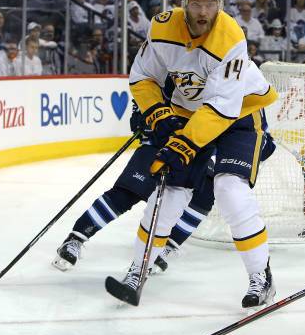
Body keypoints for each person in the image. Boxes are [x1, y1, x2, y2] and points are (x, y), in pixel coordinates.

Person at [111, 0, 278, 311]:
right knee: (170, 190)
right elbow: (143, 77)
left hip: (240, 113)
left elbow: (220, 108)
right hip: (190, 113)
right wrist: (159, 115)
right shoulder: (161, 27)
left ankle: (261, 277)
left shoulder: (231, 37)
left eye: (211, 3)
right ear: (184, 2)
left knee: (229, 190)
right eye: (197, 3)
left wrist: (182, 144)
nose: (204, 12)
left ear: (220, 3)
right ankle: (138, 268)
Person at [52, 103, 215, 273]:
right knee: (128, 191)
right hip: (165, 135)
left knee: (204, 196)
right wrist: (142, 110)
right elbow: (147, 82)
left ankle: (165, 248)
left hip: (204, 142)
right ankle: (76, 237)